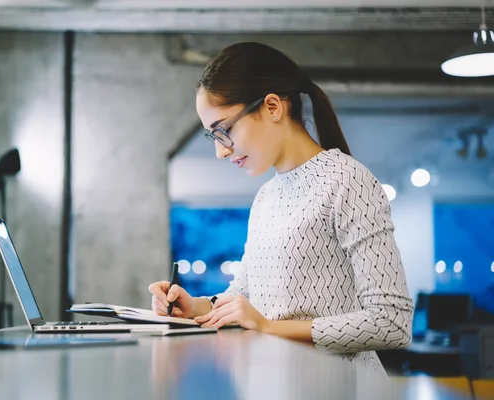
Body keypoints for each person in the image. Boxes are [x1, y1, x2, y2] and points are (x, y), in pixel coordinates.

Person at [148, 42, 414, 373]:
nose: (221, 151)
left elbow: (391, 322)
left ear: (272, 107)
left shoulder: (348, 181)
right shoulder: (266, 197)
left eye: (224, 131)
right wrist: (195, 307)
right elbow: (244, 294)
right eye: (211, 137)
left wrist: (269, 328)